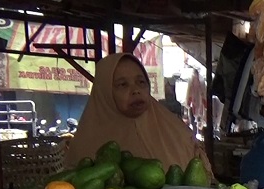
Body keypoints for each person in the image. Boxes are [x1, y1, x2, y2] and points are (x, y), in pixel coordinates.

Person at [64, 53, 210, 171]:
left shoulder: (178, 133)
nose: (136, 91)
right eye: (123, 85)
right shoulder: (86, 145)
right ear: (105, 92)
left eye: (141, 82)